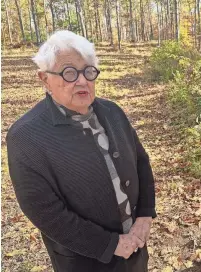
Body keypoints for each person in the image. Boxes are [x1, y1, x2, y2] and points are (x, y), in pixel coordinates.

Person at [6, 30, 156, 272]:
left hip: (135, 251)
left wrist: (146, 215)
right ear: (44, 79)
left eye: (88, 71)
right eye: (69, 72)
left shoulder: (112, 112)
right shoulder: (26, 136)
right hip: (84, 261)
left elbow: (141, 163)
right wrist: (110, 244)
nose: (82, 80)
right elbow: (44, 210)